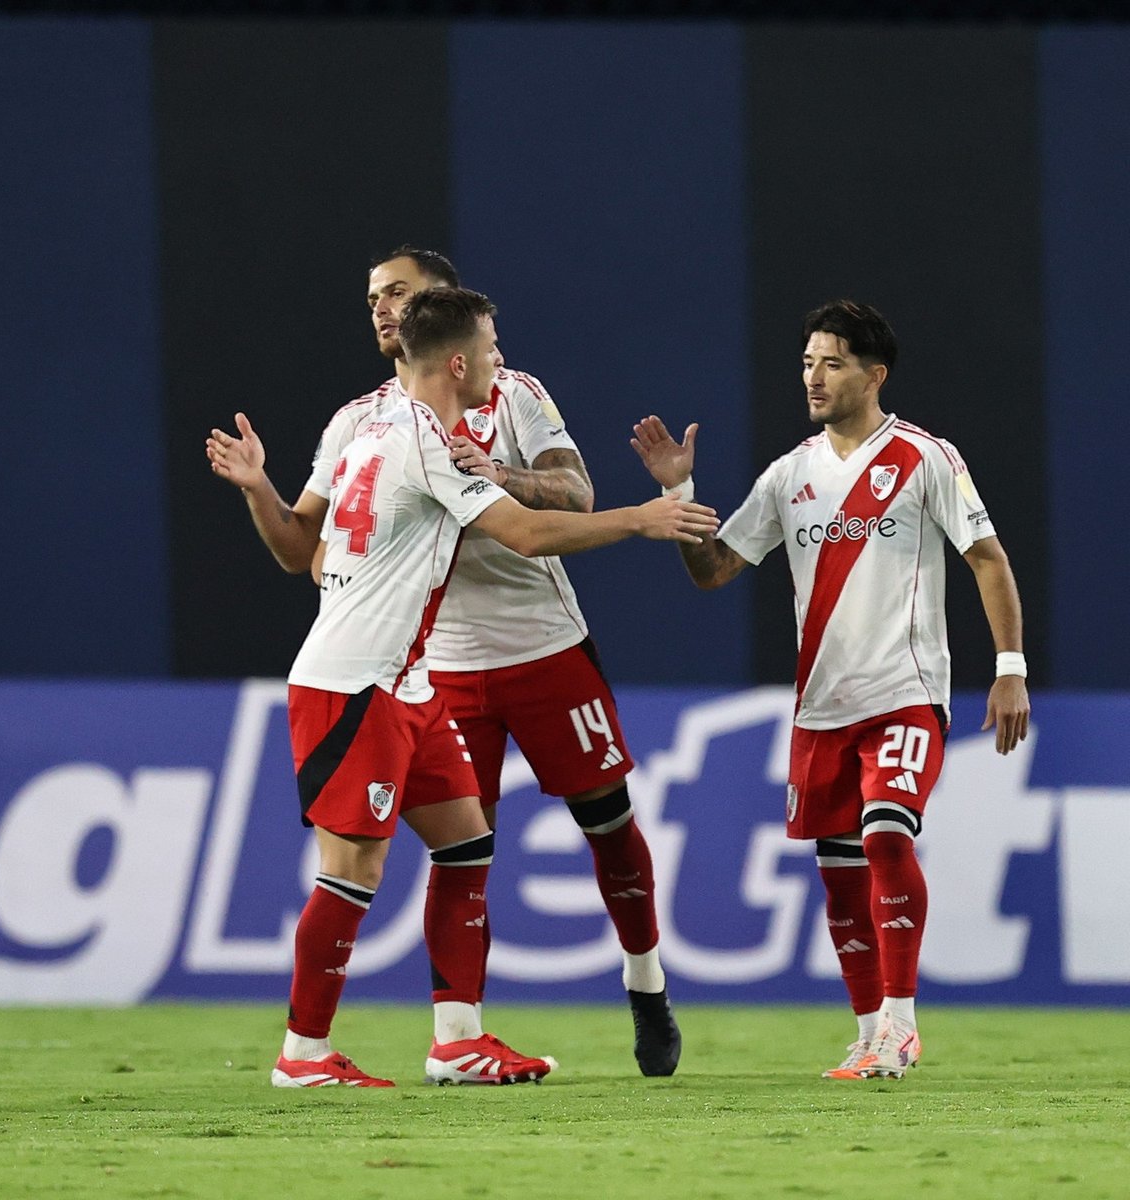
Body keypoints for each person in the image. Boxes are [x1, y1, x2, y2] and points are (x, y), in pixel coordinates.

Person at [221, 286, 716, 1087]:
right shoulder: (423, 440)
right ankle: (302, 1055)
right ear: (457, 360)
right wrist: (641, 518)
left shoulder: (377, 429)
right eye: (488, 347)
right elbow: (523, 534)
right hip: (357, 682)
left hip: (411, 684)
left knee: (465, 841)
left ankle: (457, 1041)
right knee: (353, 869)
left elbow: (323, 557)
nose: (498, 358)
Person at [630, 299, 1030, 1081]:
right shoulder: (790, 475)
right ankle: (869, 1030)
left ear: (874, 374)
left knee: (886, 834)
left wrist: (1009, 668)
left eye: (833, 362)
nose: (813, 376)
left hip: (906, 691)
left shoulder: (924, 458)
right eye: (808, 361)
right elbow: (716, 571)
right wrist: (678, 496)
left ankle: (904, 1026)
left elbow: (987, 557)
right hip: (822, 707)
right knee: (840, 872)